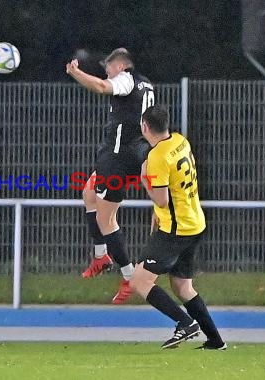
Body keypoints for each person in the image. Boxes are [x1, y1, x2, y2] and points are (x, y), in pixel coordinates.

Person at [130, 104, 227, 350]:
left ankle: (185, 323)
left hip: (176, 229)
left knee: (139, 281)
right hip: (195, 222)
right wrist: (158, 211)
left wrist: (144, 179)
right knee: (182, 286)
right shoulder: (180, 141)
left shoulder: (157, 156)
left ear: (144, 127)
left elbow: (161, 198)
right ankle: (215, 341)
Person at [66, 48, 155, 304]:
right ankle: (100, 256)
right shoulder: (147, 84)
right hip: (127, 153)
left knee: (107, 220)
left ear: (120, 66)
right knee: (89, 193)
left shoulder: (126, 79)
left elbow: (101, 87)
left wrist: (76, 72)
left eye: (108, 67)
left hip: (117, 157)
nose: (106, 71)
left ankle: (129, 277)